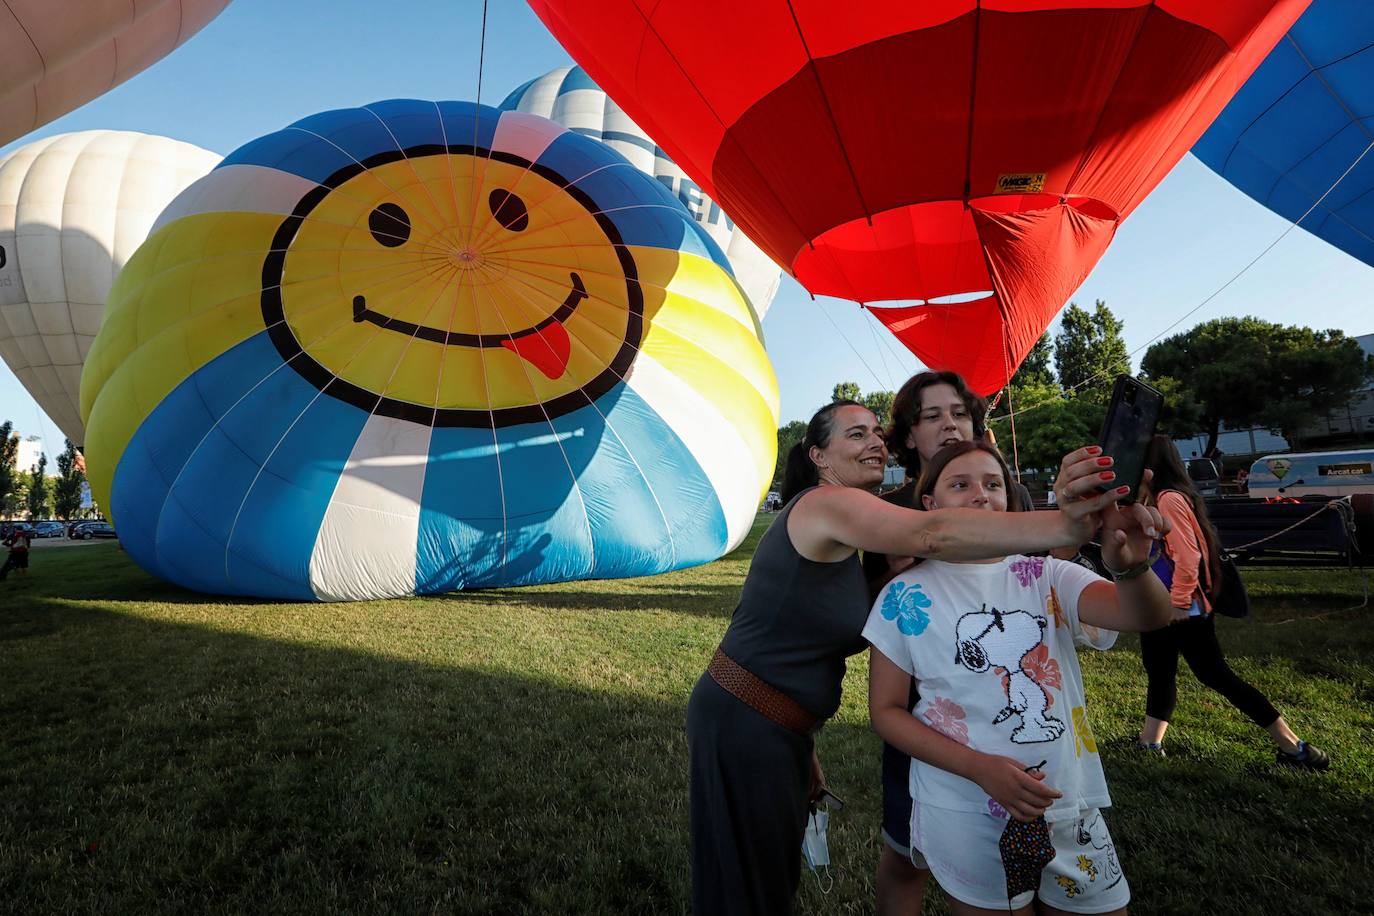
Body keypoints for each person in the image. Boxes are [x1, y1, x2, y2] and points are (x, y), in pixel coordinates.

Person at [687, 399, 1154, 916]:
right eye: (856, 434)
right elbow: (931, 533)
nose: (875, 443)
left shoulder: (847, 537)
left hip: (776, 722)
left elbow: (792, 642)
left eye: (876, 433)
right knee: (748, 881)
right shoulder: (822, 505)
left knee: (768, 871)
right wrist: (1067, 527)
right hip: (745, 716)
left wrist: (801, 739)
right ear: (819, 456)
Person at [866, 440, 1173, 915]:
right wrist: (979, 768)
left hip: (1067, 803)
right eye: (960, 485)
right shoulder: (903, 596)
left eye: (993, 485)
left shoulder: (1046, 574)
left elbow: (1146, 616)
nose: (980, 495)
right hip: (964, 810)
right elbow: (885, 713)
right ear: (929, 506)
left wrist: (1131, 568)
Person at [1134, 436, 1329, 770]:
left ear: (1150, 466)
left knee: (1215, 674)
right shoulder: (1173, 496)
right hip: (1170, 605)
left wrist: (1180, 603)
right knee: (1161, 670)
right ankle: (1149, 742)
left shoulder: (1168, 499)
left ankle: (1296, 748)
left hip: (1179, 608)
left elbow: (1189, 554)